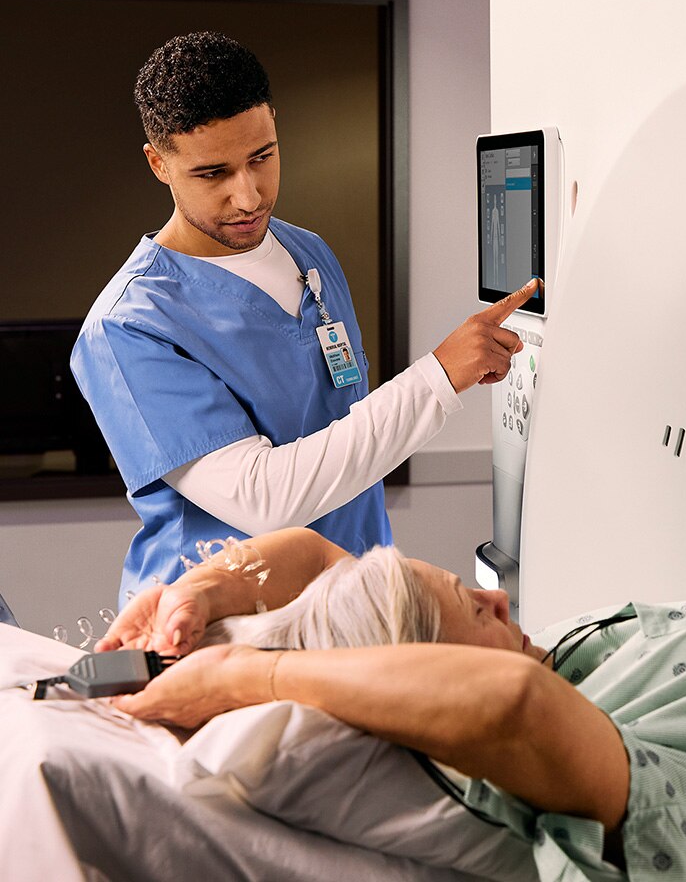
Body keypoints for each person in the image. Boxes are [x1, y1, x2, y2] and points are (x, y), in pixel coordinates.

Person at [100, 528, 686, 880]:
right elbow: (509, 708)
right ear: (431, 668)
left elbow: (317, 558)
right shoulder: (582, 757)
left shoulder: (553, 654)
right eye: (475, 608)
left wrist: (202, 592)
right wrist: (249, 678)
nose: (500, 600)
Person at [71, 31, 537, 605]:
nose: (249, 197)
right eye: (213, 174)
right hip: (226, 624)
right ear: (158, 163)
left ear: (274, 124)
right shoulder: (130, 326)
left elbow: (344, 428)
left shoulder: (307, 254)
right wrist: (437, 378)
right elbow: (263, 501)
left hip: (354, 602)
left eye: (261, 158)